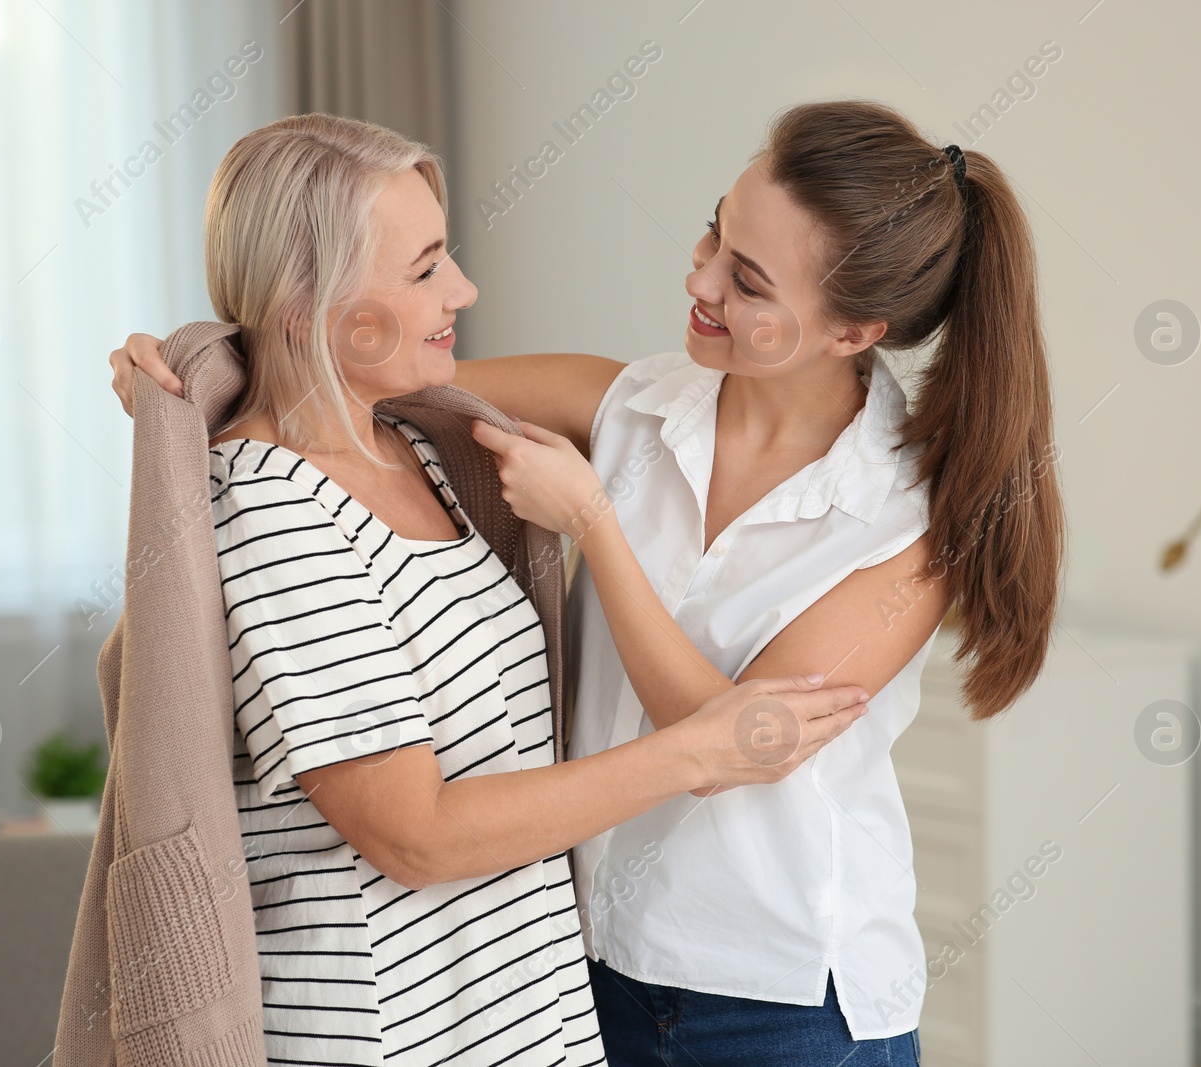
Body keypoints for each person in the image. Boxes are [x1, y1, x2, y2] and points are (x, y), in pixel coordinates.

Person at [114, 100, 1064, 1066]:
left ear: (854, 332)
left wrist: (594, 527)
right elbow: (359, 366)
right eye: (714, 232)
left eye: (746, 280)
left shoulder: (907, 524)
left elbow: (741, 738)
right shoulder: (627, 404)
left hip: (781, 997)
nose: (698, 276)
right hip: (592, 962)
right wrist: (179, 371)